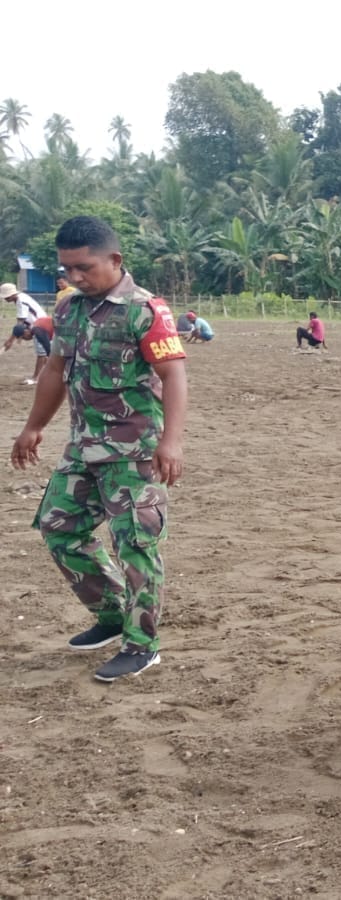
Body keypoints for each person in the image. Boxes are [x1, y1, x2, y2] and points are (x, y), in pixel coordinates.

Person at [9, 215, 188, 682]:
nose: (74, 277)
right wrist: (33, 426)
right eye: (67, 269)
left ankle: (142, 644)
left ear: (115, 260)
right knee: (58, 527)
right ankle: (111, 613)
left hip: (135, 453)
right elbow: (53, 371)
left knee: (136, 546)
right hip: (82, 447)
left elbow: (173, 375)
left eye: (84, 268)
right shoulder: (69, 310)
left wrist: (170, 441)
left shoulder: (144, 310)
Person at [2, 282, 48, 384]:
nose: (5, 299)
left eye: (6, 297)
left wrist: (11, 340)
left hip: (40, 326)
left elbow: (19, 324)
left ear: (12, 294)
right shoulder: (21, 297)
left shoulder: (21, 301)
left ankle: (36, 378)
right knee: (46, 353)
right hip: (39, 325)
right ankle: (50, 374)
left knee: (42, 354)